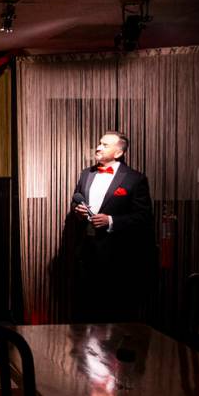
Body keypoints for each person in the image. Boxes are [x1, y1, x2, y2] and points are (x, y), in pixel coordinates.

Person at [72, 131, 154, 322]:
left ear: (118, 153)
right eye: (99, 143)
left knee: (113, 313)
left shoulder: (135, 179)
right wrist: (77, 211)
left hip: (118, 255)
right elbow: (76, 200)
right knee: (86, 309)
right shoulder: (87, 173)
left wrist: (111, 221)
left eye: (105, 145)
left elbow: (143, 216)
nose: (98, 148)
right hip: (87, 251)